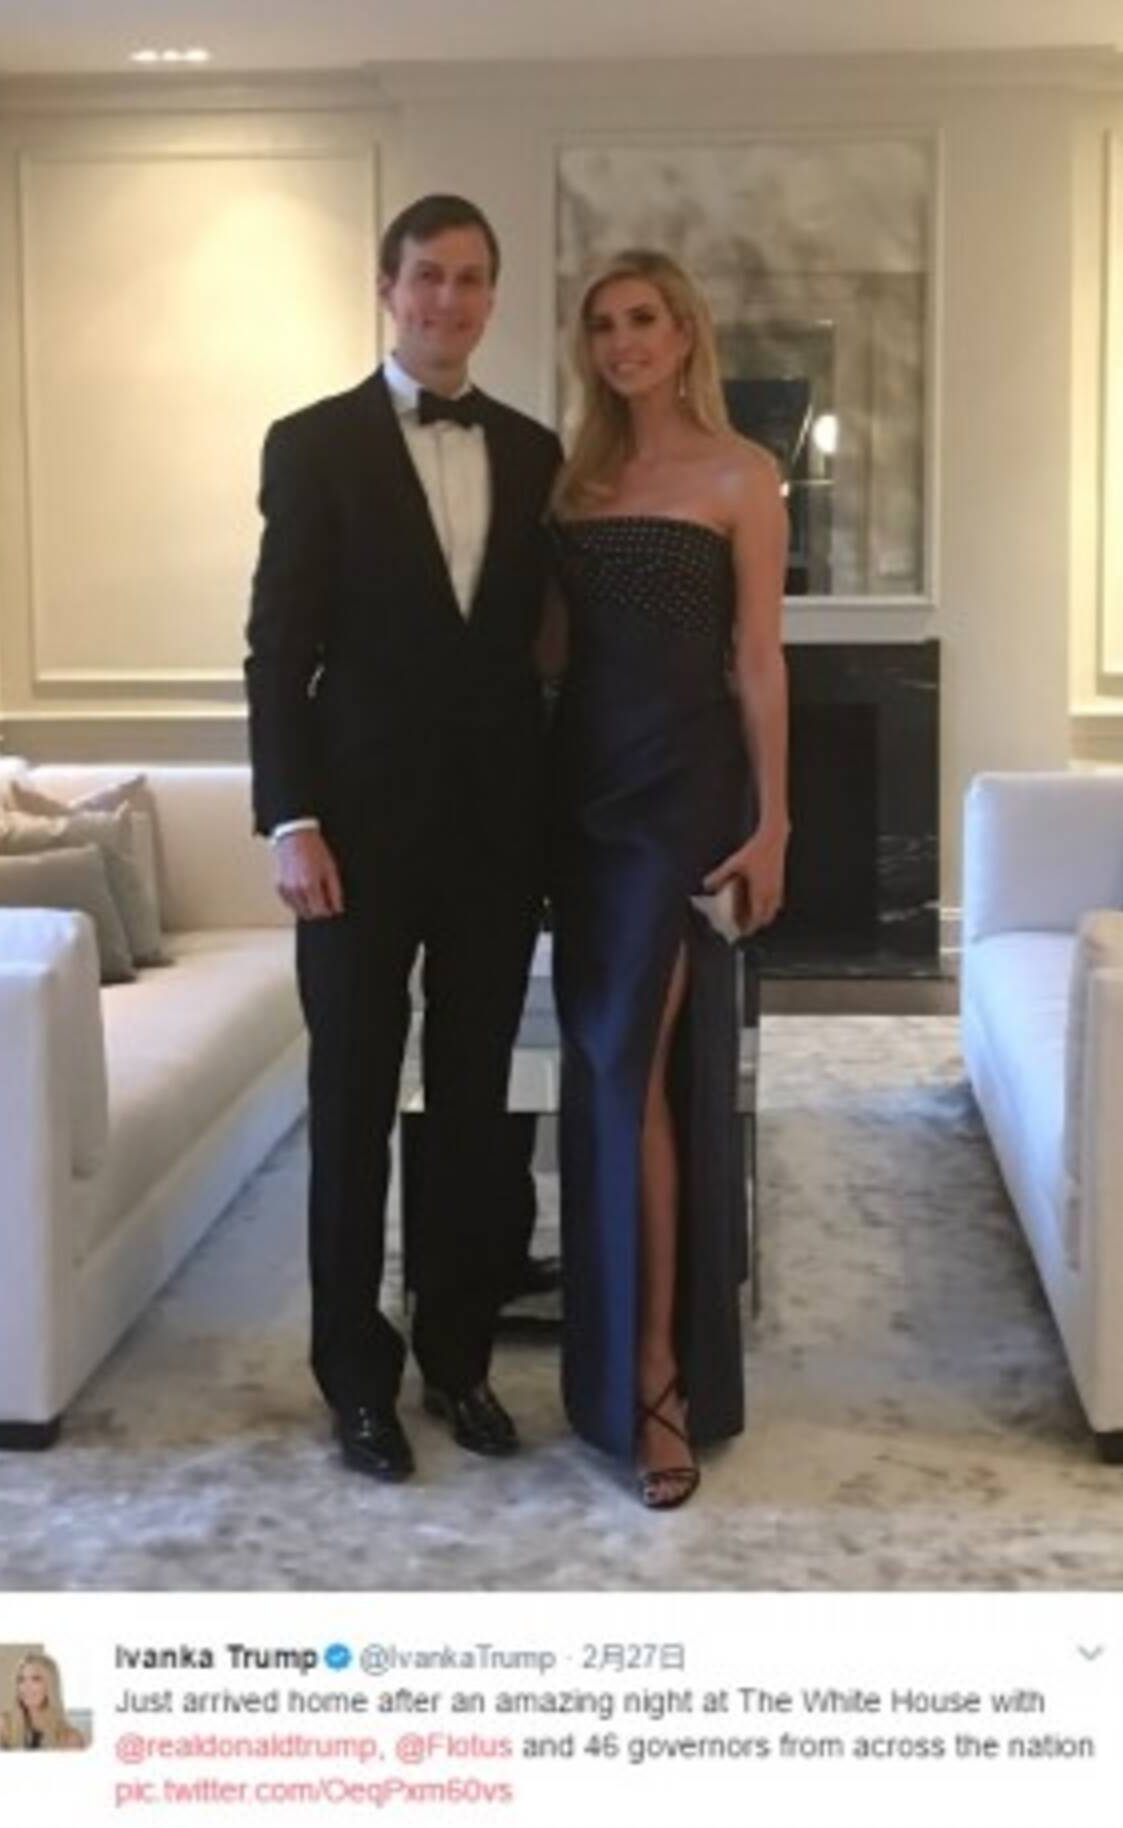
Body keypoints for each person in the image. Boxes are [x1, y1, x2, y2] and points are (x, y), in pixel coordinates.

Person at [245, 195, 563, 1482]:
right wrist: (291, 818)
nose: (448, 300)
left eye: (471, 279)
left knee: (477, 1109)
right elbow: (279, 649)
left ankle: (460, 1356)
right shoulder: (312, 442)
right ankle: (354, 1378)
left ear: (493, 296)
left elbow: (540, 652)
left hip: (495, 837)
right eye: (427, 276)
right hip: (354, 843)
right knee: (352, 1105)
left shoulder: (534, 451)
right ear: (387, 288)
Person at [547, 249, 789, 1509]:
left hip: (683, 798)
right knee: (603, 1072)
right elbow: (545, 653)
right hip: (576, 798)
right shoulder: (572, 481)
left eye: (643, 318)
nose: (623, 341)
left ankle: (657, 1379)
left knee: (634, 1065)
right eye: (603, 325)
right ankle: (610, 1369)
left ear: (686, 331)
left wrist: (776, 821)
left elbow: (759, 659)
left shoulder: (744, 474)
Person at [0, 1652, 85, 1749]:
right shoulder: (1, 1725)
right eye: (21, 1680)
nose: (26, 1687)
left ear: (50, 1685)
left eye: (36, 1679)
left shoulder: (71, 1739)